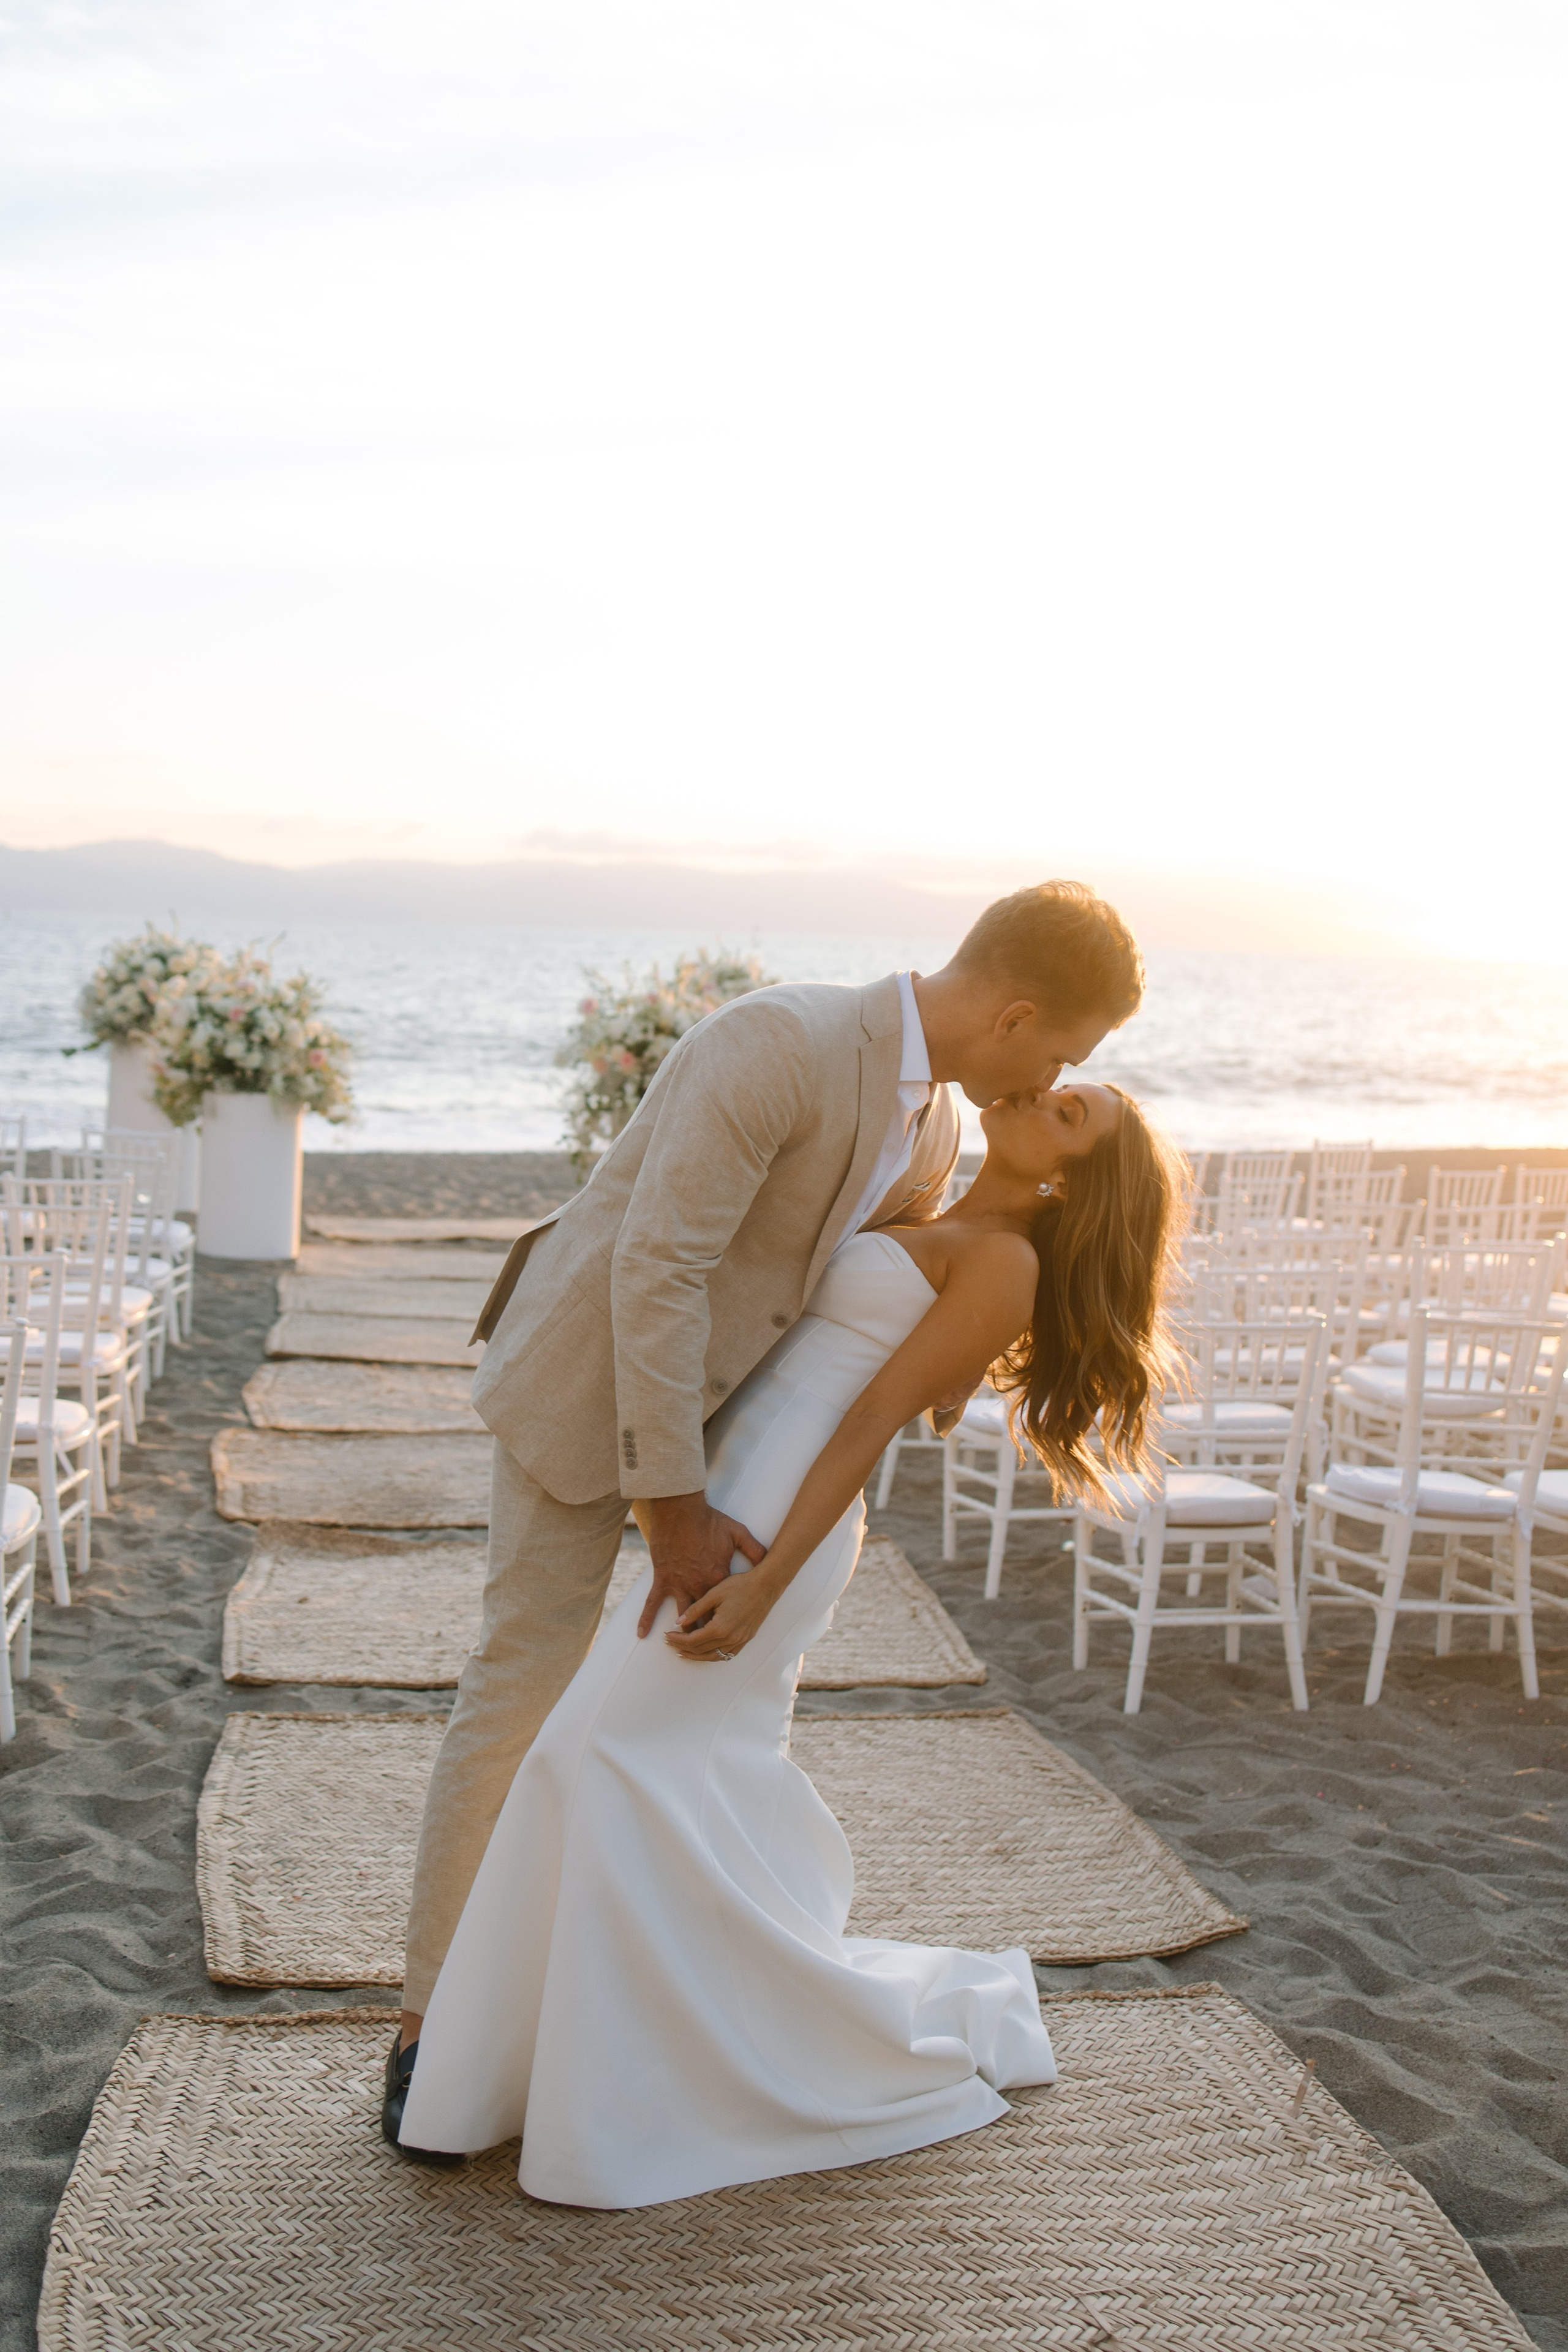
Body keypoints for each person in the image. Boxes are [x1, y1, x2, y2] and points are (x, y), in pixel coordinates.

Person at [385, 880, 1147, 2153]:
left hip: (747, 1453)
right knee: (521, 1691)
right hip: (591, 1390)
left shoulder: (935, 1129)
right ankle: (428, 2028)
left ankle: (616, 2015)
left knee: (667, 1737)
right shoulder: (780, 1042)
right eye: (1061, 1054)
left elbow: (871, 1298)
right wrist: (672, 1504)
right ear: (1017, 1016)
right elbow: (660, 1267)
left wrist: (957, 1361)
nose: (1053, 1076)